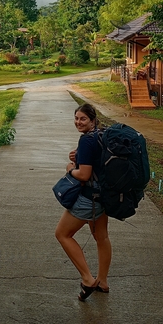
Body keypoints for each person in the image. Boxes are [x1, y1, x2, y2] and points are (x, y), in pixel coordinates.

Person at [55, 103, 111, 302]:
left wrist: (70, 168)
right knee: (102, 238)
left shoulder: (87, 140)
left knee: (62, 234)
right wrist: (78, 155)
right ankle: (102, 281)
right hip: (103, 197)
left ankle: (88, 279)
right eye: (76, 118)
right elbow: (96, 161)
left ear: (93, 120)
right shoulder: (102, 134)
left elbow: (84, 174)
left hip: (89, 199)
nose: (78, 122)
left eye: (83, 119)